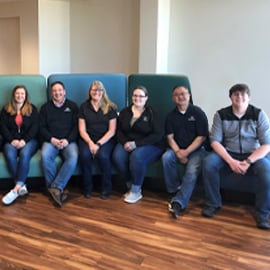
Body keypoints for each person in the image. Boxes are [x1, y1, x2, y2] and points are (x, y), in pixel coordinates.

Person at [202, 83, 270, 230]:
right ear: (230, 97)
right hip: (229, 152)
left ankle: (263, 214)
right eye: (235, 94)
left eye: (243, 94)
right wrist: (231, 161)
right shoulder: (221, 115)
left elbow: (267, 145)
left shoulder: (259, 114)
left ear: (249, 97)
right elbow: (215, 141)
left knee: (266, 169)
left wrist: (248, 161)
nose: (239, 97)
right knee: (209, 163)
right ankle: (212, 203)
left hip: (253, 153)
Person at [162, 85, 209, 218]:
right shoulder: (170, 116)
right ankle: (173, 190)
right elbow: (169, 137)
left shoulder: (198, 113)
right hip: (176, 149)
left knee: (192, 170)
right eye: (177, 94)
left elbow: (202, 137)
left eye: (183, 94)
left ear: (189, 95)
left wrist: (186, 152)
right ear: (173, 98)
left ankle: (179, 202)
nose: (180, 97)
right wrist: (178, 152)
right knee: (166, 158)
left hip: (196, 150)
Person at [112, 85, 164, 203]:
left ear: (146, 98)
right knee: (117, 156)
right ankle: (130, 183)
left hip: (150, 144)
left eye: (141, 96)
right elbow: (119, 131)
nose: (137, 98)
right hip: (128, 142)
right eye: (135, 96)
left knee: (137, 156)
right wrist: (125, 142)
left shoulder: (152, 113)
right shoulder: (125, 112)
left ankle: (136, 191)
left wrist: (136, 144)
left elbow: (157, 135)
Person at [40, 81, 79, 207]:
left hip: (68, 141)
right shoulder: (45, 108)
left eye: (59, 90)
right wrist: (52, 139)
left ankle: (55, 187)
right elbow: (42, 128)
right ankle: (56, 190)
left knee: (73, 156)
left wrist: (67, 140)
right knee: (45, 156)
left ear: (64, 91)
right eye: (54, 91)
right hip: (51, 141)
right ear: (51, 93)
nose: (57, 93)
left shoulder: (72, 106)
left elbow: (76, 127)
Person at [78, 80, 117, 199]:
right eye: (94, 90)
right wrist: (90, 143)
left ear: (103, 92)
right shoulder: (84, 107)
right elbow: (82, 130)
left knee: (103, 156)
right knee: (85, 155)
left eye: (99, 90)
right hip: (87, 138)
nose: (96, 92)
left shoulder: (110, 107)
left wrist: (98, 144)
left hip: (105, 139)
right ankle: (87, 188)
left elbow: (112, 131)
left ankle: (106, 188)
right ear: (90, 92)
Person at [0, 85, 39, 205]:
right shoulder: (6, 109)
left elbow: (35, 127)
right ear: (13, 95)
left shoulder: (32, 109)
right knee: (9, 154)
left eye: (22, 93)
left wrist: (24, 140)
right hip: (10, 141)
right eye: (17, 93)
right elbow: (2, 127)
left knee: (24, 154)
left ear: (26, 95)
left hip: (29, 141)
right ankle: (20, 185)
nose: (20, 96)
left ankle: (15, 189)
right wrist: (12, 140)